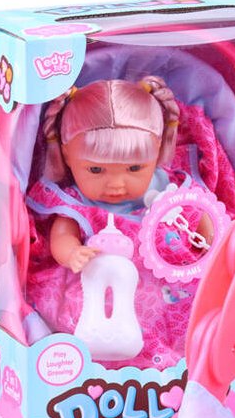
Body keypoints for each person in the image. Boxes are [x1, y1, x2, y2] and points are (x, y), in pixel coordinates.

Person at [25, 77, 209, 368]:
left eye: (134, 168)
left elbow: (201, 220)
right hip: (97, 294)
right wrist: (72, 253)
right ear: (67, 155)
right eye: (96, 170)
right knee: (75, 310)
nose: (116, 184)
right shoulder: (77, 203)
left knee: (199, 307)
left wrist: (211, 246)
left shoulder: (171, 192)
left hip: (167, 294)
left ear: (157, 150)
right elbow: (62, 235)